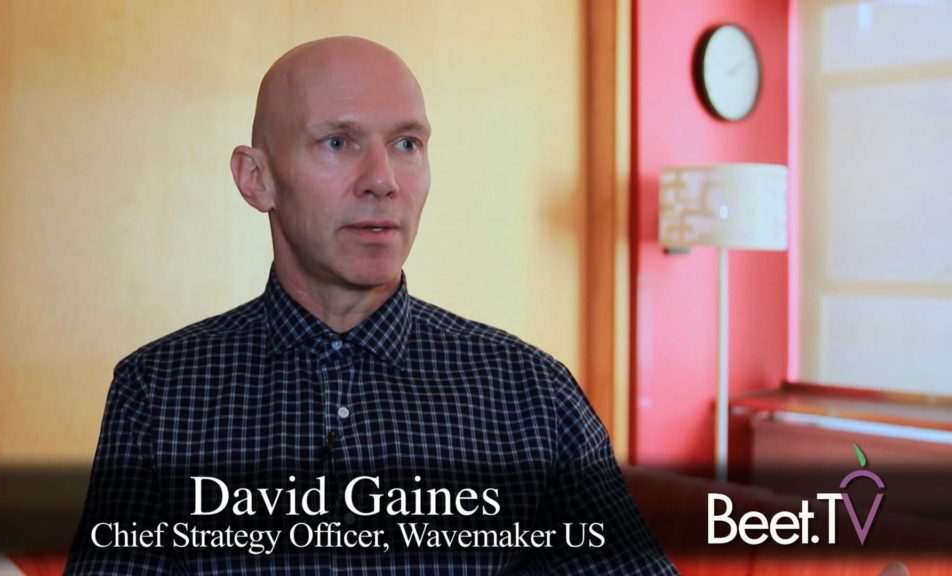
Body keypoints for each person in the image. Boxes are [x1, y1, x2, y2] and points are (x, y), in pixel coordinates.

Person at [66, 36, 677, 575]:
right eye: (338, 142)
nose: (383, 180)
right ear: (257, 178)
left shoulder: (531, 394)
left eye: (407, 144)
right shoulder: (159, 392)